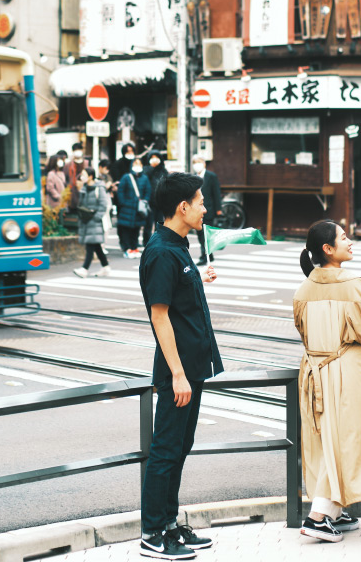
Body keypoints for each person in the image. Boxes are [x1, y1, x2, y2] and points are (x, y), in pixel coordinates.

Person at [138, 172, 223, 560]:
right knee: (166, 450)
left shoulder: (178, 248)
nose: (207, 208)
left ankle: (170, 524)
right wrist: (176, 374)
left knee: (180, 447)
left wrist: (199, 278)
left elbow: (177, 298)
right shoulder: (160, 252)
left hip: (192, 367)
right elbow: (160, 316)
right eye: (201, 202)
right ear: (182, 207)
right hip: (180, 372)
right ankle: (152, 533)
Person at [294, 220, 361, 543]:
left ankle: (334, 510)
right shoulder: (354, 287)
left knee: (324, 442)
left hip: (313, 371)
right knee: (350, 440)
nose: (349, 241)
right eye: (343, 237)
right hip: (347, 370)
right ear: (328, 249)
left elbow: (302, 329)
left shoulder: (304, 289)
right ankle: (318, 516)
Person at [72, 168, 111, 278]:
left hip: (95, 221)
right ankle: (105, 267)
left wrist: (96, 218)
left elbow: (103, 205)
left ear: (90, 176)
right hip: (87, 220)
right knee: (96, 246)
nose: (82, 177)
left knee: (90, 245)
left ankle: (84, 269)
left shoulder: (99, 188)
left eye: (84, 174)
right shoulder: (84, 188)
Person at [116, 157, 152, 259]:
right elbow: (121, 191)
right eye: (135, 164)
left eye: (139, 164)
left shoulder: (145, 178)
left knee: (136, 230)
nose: (137, 166)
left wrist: (144, 201)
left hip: (138, 209)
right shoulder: (126, 177)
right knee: (126, 230)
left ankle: (134, 247)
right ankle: (127, 249)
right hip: (127, 209)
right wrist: (123, 203)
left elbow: (148, 191)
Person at [192, 155, 222, 266]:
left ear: (204, 163)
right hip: (196, 210)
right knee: (200, 233)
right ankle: (209, 254)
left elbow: (216, 193)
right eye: (195, 162)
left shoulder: (211, 176)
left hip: (209, 209)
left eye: (199, 162)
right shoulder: (194, 177)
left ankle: (205, 256)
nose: (197, 165)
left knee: (205, 234)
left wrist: (218, 209)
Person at [141, 151, 168, 247]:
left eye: (157, 157)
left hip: (160, 202)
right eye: (152, 157)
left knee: (159, 224)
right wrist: (151, 168)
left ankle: (158, 242)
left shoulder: (163, 171)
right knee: (148, 224)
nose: (155, 159)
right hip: (149, 202)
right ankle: (146, 243)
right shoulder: (145, 170)